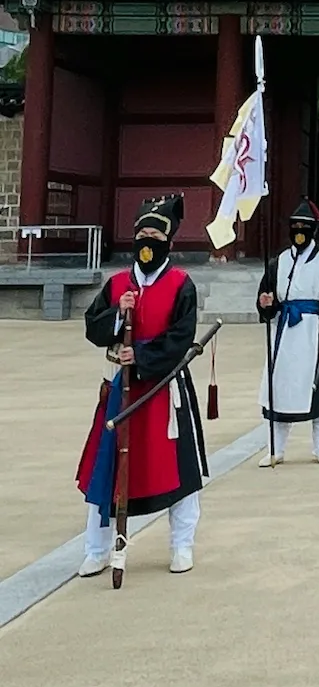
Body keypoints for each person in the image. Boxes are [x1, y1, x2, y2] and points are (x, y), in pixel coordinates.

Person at [76, 194, 208, 577]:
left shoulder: (181, 284)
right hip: (122, 390)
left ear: (168, 240)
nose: (146, 240)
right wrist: (119, 318)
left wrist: (145, 358)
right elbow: (92, 326)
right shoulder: (118, 284)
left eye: (155, 234)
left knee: (180, 471)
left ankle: (182, 544)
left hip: (164, 387)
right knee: (106, 468)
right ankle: (97, 549)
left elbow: (182, 337)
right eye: (141, 233)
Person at [257, 198, 319, 466]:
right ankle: (276, 448)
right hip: (284, 333)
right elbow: (266, 295)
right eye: (294, 227)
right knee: (279, 390)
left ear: (313, 230)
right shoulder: (278, 262)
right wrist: (266, 305)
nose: (299, 232)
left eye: (304, 227)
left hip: (312, 332)